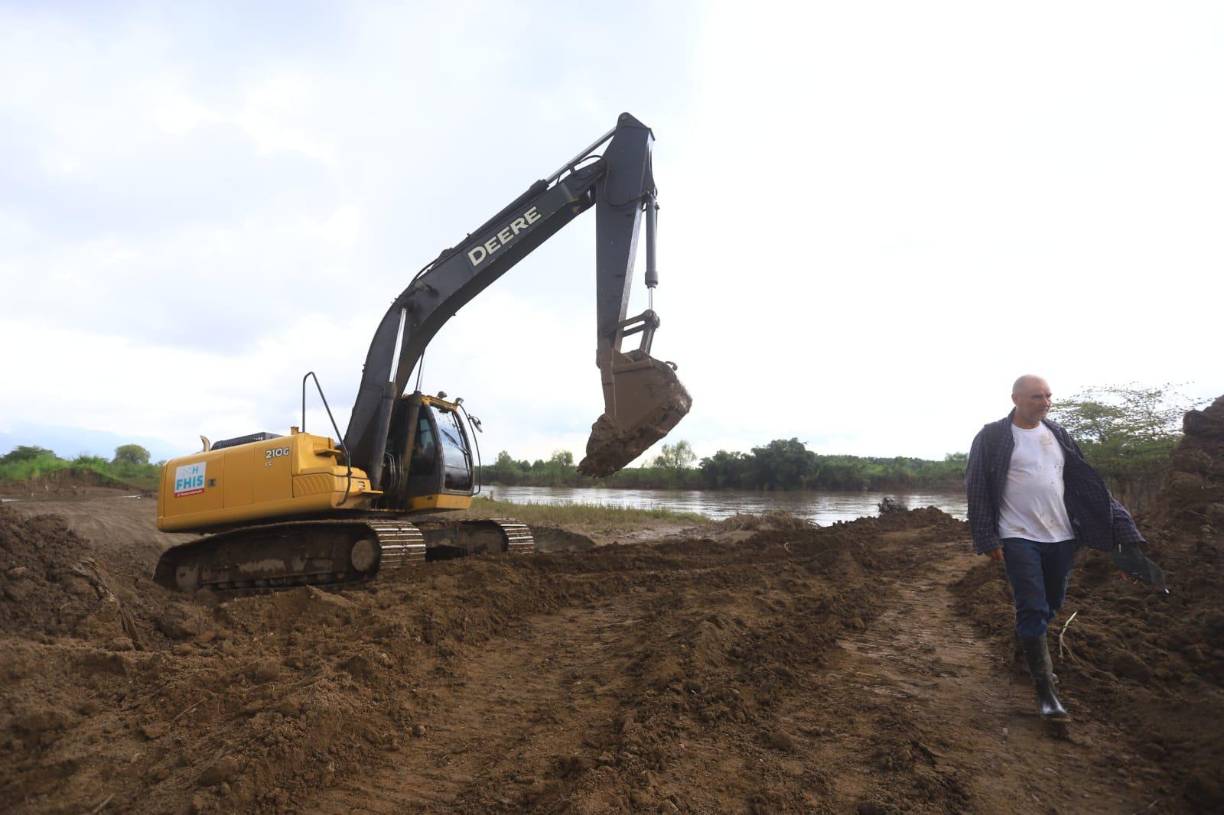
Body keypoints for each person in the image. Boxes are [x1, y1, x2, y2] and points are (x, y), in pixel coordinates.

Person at [965, 375, 1146, 719]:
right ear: (1016, 398)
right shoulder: (993, 437)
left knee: (1052, 604)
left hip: (1062, 537)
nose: (1045, 402)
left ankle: (1026, 644)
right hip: (1018, 534)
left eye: (1048, 396)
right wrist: (987, 537)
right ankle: (1046, 692)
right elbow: (976, 488)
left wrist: (1126, 533)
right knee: (1032, 606)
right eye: (1036, 396)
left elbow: (1086, 484)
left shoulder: (1057, 434)